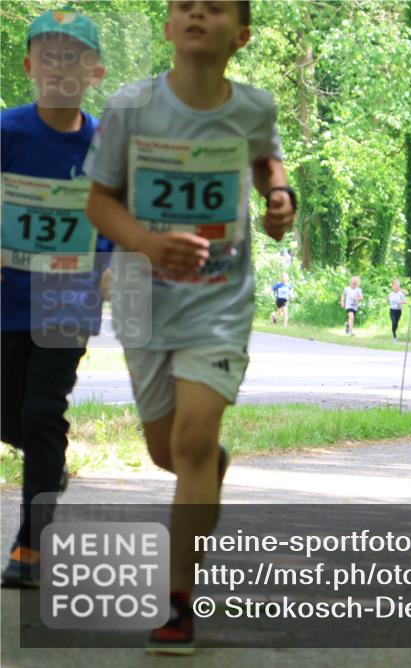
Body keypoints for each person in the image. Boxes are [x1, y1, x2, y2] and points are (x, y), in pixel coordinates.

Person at [84, 0, 296, 654]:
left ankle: (177, 600)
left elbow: (267, 160)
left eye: (215, 7)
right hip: (146, 299)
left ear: (243, 35)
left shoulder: (254, 107)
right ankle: (205, 468)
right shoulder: (130, 107)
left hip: (220, 301)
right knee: (167, 453)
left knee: (195, 438)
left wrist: (279, 197)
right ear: (170, 27)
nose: (198, 13)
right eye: (185, 6)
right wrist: (146, 244)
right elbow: (99, 200)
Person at [1, 7, 109, 588]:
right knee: (14, 415)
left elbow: (116, 213)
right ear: (29, 67)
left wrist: (111, 265)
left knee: (43, 412)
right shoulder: (7, 132)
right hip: (6, 299)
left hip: (67, 301)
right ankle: (49, 459)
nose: (61, 67)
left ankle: (31, 549)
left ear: (95, 71)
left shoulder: (104, 145)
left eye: (74, 56)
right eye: (50, 55)